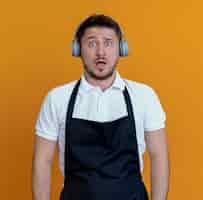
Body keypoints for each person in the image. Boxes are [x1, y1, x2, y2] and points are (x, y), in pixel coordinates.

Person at [32, 14, 169, 200]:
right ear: (78, 49)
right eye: (92, 43)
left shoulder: (144, 96)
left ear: (121, 48)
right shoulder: (57, 99)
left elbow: (159, 156)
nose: (101, 52)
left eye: (108, 43)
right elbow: (42, 161)